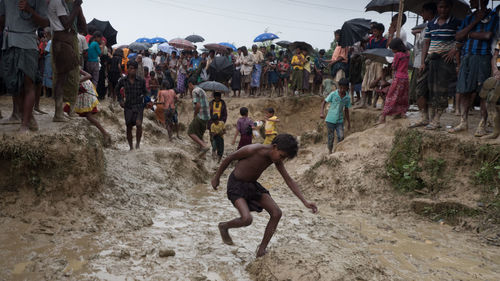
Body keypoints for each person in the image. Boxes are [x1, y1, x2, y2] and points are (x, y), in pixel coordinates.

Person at [211, 134, 318, 258]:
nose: (281, 160)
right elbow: (229, 158)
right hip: (236, 186)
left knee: (277, 213)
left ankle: (261, 250)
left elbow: (289, 180)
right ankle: (224, 226)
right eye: (281, 156)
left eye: (284, 158)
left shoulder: (275, 159)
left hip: (252, 186)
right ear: (274, 147)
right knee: (247, 219)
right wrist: (217, 177)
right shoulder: (252, 150)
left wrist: (305, 201)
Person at [450, 0, 498, 136]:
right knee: (464, 90)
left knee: (483, 92)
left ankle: (482, 124)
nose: (470, 1)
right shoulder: (469, 17)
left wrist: (468, 34)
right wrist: (475, 22)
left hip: (483, 56)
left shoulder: (493, 16)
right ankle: (463, 122)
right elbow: (458, 36)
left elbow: (488, 35)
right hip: (467, 56)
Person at [0, 0, 49, 131]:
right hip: (9, 42)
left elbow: (45, 22)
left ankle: (25, 125)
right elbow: (2, 19)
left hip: (27, 42)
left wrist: (30, 10)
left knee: (28, 84)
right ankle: (26, 116)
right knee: (15, 85)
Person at [417, 0, 460, 130]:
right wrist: (423, 62)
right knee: (420, 89)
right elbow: (426, 43)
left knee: (440, 91)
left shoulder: (456, 23)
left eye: (446, 7)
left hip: (444, 60)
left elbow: (462, 38)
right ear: (437, 7)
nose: (443, 9)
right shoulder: (431, 24)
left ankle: (436, 120)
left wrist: (454, 50)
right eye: (441, 7)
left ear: (450, 7)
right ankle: (424, 118)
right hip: (430, 58)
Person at [408, 2, 438, 128]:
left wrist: (423, 63)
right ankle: (424, 117)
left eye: (423, 12)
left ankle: (429, 118)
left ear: (430, 12)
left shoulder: (433, 27)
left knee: (425, 91)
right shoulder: (427, 27)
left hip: (426, 63)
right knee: (420, 91)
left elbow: (428, 46)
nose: (421, 14)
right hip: (420, 63)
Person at [65, 69, 111, 145]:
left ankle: (105, 133)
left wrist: (78, 81)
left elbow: (89, 75)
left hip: (86, 90)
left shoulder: (74, 67)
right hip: (79, 91)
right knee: (69, 109)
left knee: (88, 116)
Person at [116, 61, 148, 150]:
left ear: (136, 69)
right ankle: (131, 147)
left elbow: (145, 92)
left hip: (138, 106)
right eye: (130, 68)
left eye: (134, 68)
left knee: (138, 124)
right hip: (128, 106)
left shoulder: (141, 81)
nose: (132, 70)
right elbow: (117, 89)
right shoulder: (123, 80)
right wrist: (120, 100)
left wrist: (146, 101)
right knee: (129, 126)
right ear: (128, 69)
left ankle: (137, 144)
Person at [378, 38, 410, 124]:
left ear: (396, 48)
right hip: (406, 78)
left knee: (391, 96)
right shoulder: (407, 54)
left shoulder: (397, 55)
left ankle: (383, 117)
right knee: (403, 96)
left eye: (392, 49)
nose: (392, 50)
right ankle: (401, 112)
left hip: (398, 78)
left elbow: (394, 66)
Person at [359, 23, 387, 108]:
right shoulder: (371, 41)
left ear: (381, 31)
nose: (373, 33)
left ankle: (375, 102)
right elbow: (368, 51)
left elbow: (384, 53)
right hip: (371, 64)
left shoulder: (384, 42)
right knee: (365, 83)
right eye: (373, 31)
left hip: (379, 64)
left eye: (375, 31)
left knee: (377, 84)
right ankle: (364, 102)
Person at [320, 78, 351, 154]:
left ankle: (338, 151)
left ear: (347, 88)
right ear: (339, 87)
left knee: (341, 136)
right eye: (341, 87)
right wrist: (321, 112)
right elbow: (324, 102)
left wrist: (349, 122)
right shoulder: (333, 94)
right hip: (330, 119)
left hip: (339, 120)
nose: (342, 90)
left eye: (344, 88)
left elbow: (346, 110)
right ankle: (330, 151)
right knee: (331, 137)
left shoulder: (347, 98)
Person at [187, 77, 210, 154]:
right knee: (199, 135)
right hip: (206, 116)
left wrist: (194, 115)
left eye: (188, 86)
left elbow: (197, 105)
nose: (188, 88)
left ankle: (204, 145)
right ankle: (202, 156)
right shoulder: (201, 90)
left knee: (190, 132)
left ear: (190, 84)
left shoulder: (194, 91)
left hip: (201, 115)